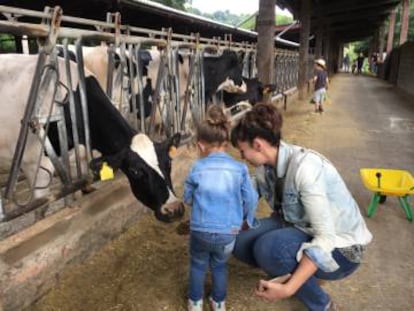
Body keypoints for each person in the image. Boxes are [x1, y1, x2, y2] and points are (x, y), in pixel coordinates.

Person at [230, 103, 373, 311]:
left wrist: (288, 289)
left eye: (243, 151)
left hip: (342, 248)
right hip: (300, 226)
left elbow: (326, 238)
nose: (243, 158)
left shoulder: (305, 169)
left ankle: (323, 305)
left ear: (258, 144)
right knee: (240, 241)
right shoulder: (264, 168)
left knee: (268, 248)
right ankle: (302, 275)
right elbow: (245, 197)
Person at [184, 104, 258, 311]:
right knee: (219, 265)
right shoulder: (240, 168)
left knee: (198, 264)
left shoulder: (197, 168)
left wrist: (194, 200)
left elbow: (188, 198)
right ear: (227, 143)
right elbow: (250, 199)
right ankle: (218, 303)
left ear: (200, 146)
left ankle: (195, 303)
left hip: (201, 229)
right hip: (229, 231)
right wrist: (247, 219)